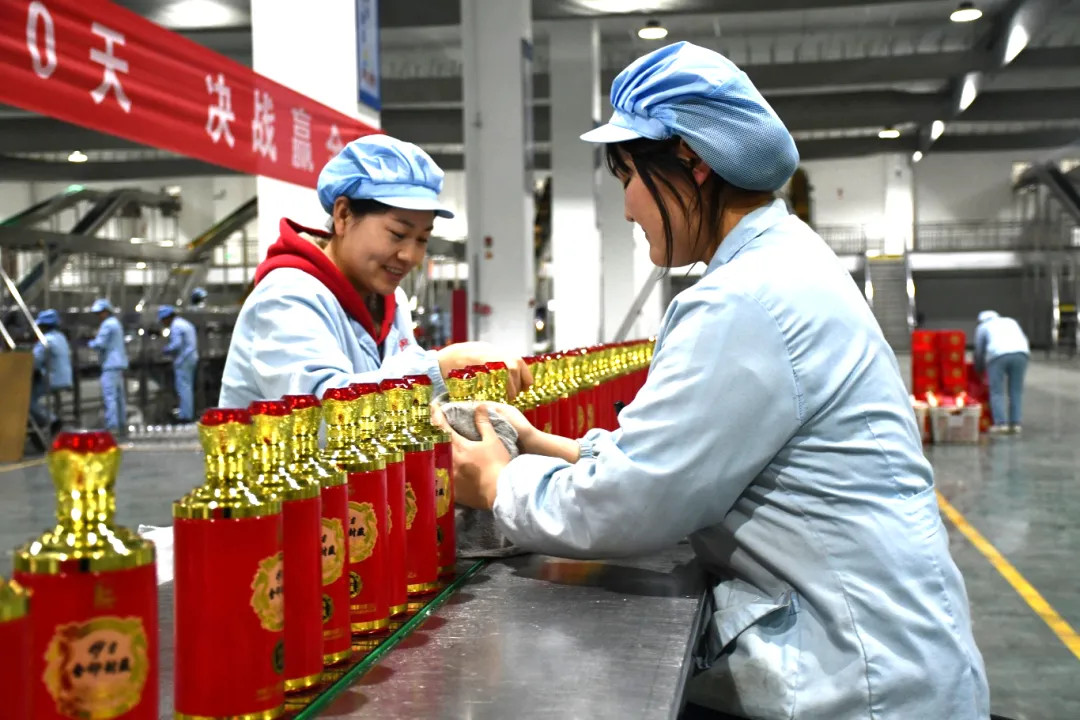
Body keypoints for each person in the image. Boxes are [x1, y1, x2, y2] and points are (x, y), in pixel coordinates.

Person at [442, 43, 988, 720]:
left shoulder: (745, 298)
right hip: (887, 651)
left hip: (861, 680)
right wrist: (545, 444)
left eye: (629, 177)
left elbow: (637, 500)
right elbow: (676, 453)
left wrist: (500, 486)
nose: (628, 208)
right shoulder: (781, 263)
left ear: (692, 161)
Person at [219, 134, 531, 407]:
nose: (410, 255)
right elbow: (322, 416)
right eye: (397, 234)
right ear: (343, 215)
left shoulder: (391, 302)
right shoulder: (287, 296)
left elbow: (402, 408)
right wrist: (437, 369)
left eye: (422, 239)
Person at [974, 310, 1029, 434]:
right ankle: (1015, 424)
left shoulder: (983, 327)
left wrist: (979, 369)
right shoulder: (1010, 321)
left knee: (997, 391)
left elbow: (979, 351)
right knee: (1016, 390)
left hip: (998, 356)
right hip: (1021, 354)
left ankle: (1000, 424)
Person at [88, 298, 128, 432]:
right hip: (118, 364)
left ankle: (112, 427)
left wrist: (90, 343)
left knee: (110, 397)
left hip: (110, 365)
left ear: (107, 311)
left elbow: (100, 344)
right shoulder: (116, 323)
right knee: (119, 397)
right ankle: (122, 425)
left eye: (100, 312)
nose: (99, 316)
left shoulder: (107, 325)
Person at [30, 309, 73, 433]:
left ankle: (53, 421)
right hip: (65, 378)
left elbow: (34, 362)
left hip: (52, 379)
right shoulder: (61, 337)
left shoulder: (45, 340)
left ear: (43, 326)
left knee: (27, 400)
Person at [158, 305, 199, 422]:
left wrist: (165, 349)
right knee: (187, 387)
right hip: (191, 358)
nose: (163, 323)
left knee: (183, 388)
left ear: (167, 317)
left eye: (163, 320)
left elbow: (176, 344)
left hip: (183, 360)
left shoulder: (175, 326)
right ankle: (187, 413)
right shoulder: (185, 323)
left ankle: (185, 416)